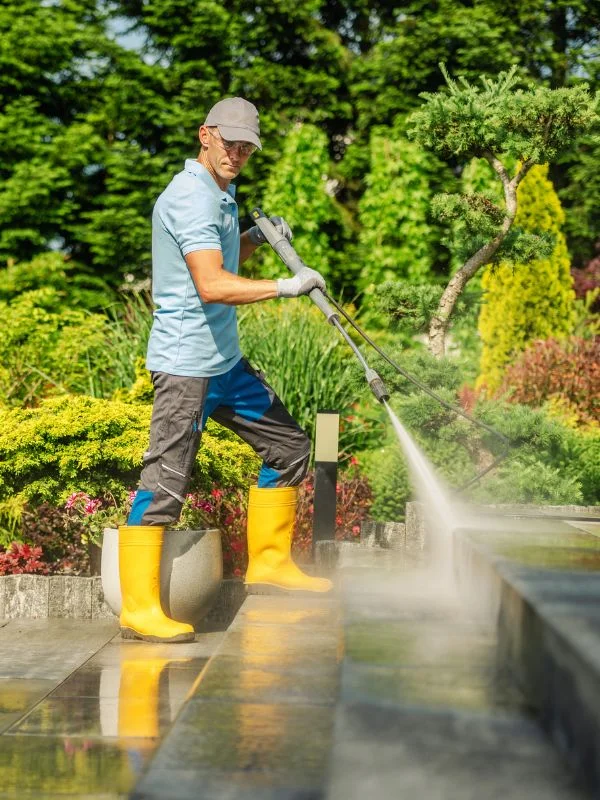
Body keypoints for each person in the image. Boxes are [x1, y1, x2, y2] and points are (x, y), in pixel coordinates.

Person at [119, 97, 332, 644]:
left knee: (288, 448)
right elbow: (211, 284)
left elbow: (218, 257)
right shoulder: (190, 195)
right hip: (186, 366)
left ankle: (269, 563)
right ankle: (139, 609)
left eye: (247, 146)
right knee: (165, 482)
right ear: (204, 135)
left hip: (225, 363)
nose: (237, 153)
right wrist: (286, 286)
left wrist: (254, 239)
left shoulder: (218, 193)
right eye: (229, 142)